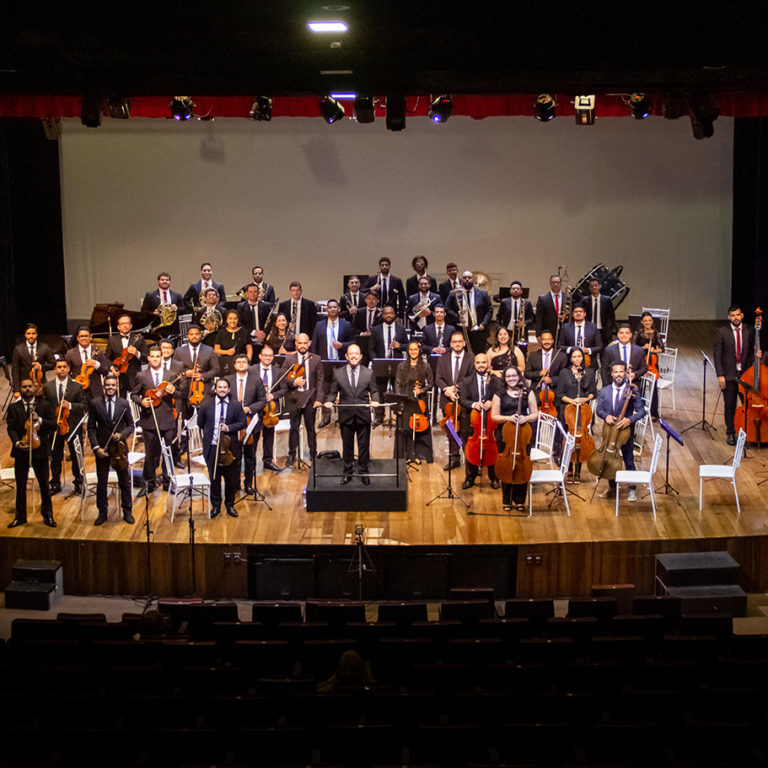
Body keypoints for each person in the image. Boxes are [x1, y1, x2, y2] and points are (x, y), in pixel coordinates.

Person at [324, 344, 380, 485]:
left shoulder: (369, 373)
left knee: (364, 446)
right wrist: (329, 402)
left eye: (356, 353)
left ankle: (363, 471)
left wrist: (375, 400)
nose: (354, 356)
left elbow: (374, 391)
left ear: (360, 356)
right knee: (347, 446)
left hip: (363, 414)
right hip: (346, 415)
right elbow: (332, 392)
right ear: (346, 356)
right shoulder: (338, 373)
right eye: (351, 354)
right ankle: (347, 472)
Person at [7, 378, 57, 528]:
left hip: (39, 450)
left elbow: (53, 425)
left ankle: (48, 515)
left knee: (44, 485)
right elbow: (10, 428)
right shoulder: (13, 408)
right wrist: (17, 442)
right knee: (21, 486)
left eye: (30, 386)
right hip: (21, 451)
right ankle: (20, 516)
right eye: (24, 386)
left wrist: (40, 420)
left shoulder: (45, 405)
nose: (27, 389)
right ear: (20, 389)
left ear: (35, 389)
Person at [87, 374, 134, 525]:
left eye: (113, 385)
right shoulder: (95, 403)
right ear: (103, 386)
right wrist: (96, 447)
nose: (110, 388)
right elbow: (91, 427)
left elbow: (131, 425)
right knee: (102, 482)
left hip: (119, 449)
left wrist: (122, 435)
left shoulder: (124, 403)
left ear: (117, 386)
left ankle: (127, 511)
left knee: (124, 482)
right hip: (102, 449)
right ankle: (102, 512)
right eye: (107, 385)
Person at [196, 378, 247, 518]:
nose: (222, 389)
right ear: (215, 389)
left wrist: (229, 428)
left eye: (225, 387)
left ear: (229, 390)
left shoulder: (236, 405)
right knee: (215, 479)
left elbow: (243, 423)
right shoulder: (206, 405)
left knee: (231, 480)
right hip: (212, 448)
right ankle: (216, 506)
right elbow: (200, 423)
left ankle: (230, 505)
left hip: (230, 448)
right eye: (220, 387)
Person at [595, 362, 645, 501]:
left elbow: (642, 411)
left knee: (629, 459)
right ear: (611, 374)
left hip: (625, 432)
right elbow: (599, 410)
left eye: (621, 372)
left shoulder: (632, 390)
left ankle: (632, 489)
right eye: (616, 372)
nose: (618, 374)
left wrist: (630, 419)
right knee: (609, 460)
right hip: (609, 432)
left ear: (625, 374)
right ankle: (612, 488)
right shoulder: (604, 391)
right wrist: (606, 416)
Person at [491, 367, 539, 512]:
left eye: (514, 375)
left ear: (519, 376)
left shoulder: (528, 392)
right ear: (504, 378)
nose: (511, 378)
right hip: (505, 436)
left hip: (523, 434)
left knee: (522, 465)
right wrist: (508, 418)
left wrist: (525, 417)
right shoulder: (499, 394)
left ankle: (520, 500)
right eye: (508, 376)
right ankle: (506, 500)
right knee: (506, 465)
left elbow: (535, 414)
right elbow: (494, 416)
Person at [133, 346, 178, 495]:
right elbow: (134, 395)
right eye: (152, 356)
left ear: (162, 358)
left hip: (167, 419)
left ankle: (168, 482)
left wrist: (173, 392)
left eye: (158, 356)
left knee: (168, 452)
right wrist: (141, 402)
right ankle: (148, 483)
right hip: (149, 419)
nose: (155, 359)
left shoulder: (171, 374)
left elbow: (179, 393)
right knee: (150, 453)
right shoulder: (141, 375)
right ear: (149, 358)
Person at [713, 304, 759, 445]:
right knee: (730, 405)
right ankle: (731, 432)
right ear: (729, 317)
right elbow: (717, 355)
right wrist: (720, 375)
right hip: (729, 375)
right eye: (732, 315)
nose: (735, 318)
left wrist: (758, 354)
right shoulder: (722, 332)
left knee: (747, 404)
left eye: (738, 315)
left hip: (745, 375)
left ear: (742, 315)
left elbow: (752, 350)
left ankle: (748, 431)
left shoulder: (749, 330)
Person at [42, 359, 86, 495]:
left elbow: (84, 405)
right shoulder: (47, 387)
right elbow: (43, 406)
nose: (62, 369)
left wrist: (70, 405)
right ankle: (55, 483)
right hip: (55, 427)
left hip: (72, 426)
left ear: (68, 369)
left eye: (64, 367)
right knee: (55, 457)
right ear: (55, 370)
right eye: (59, 367)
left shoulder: (77, 386)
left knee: (76, 456)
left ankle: (79, 483)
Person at [225, 354, 266, 494]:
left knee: (250, 456)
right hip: (233, 424)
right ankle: (235, 484)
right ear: (234, 365)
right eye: (238, 362)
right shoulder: (228, 380)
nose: (241, 364)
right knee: (235, 456)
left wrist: (249, 408)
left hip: (251, 422)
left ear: (248, 364)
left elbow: (262, 401)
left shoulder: (256, 380)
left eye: (244, 362)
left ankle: (248, 483)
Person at [281, 333, 324, 468]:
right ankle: (292, 454)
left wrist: (319, 399)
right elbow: (282, 377)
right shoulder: (289, 359)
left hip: (310, 399)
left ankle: (313, 453)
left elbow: (320, 381)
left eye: (305, 343)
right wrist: (294, 382)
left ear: (309, 344)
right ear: (296, 344)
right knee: (294, 427)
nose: (302, 346)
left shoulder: (316, 359)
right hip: (294, 399)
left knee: (311, 428)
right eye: (300, 343)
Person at [435, 331, 475, 470]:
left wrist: (456, 388)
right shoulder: (442, 359)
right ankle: (454, 458)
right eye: (454, 342)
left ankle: (469, 459)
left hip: (464, 400)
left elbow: (471, 379)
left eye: (460, 341)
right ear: (451, 344)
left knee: (465, 431)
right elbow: (438, 379)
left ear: (463, 343)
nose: (457, 344)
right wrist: (447, 389)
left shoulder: (471, 358)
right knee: (451, 431)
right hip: (447, 401)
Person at [459, 353, 499, 489]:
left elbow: (502, 395)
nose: (481, 365)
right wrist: (474, 404)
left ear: (488, 364)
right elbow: (462, 399)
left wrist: (493, 402)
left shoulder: (496, 380)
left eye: (483, 362)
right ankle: (470, 477)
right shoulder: (466, 381)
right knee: (470, 449)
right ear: (474, 364)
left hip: (491, 420)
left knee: (493, 447)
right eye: (478, 362)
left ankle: (494, 477)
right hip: (472, 420)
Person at [557, 348, 597, 483]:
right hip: (568, 410)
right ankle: (568, 469)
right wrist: (572, 401)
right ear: (571, 359)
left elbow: (593, 392)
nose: (577, 359)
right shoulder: (564, 373)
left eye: (579, 356)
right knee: (569, 439)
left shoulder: (589, 372)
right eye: (574, 357)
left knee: (580, 440)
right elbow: (560, 394)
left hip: (583, 410)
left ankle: (578, 471)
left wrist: (585, 400)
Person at [395, 341, 434, 463]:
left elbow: (431, 383)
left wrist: (421, 389)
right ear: (408, 351)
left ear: (419, 350)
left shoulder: (426, 366)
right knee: (405, 427)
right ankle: (406, 455)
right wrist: (400, 400)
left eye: (415, 349)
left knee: (419, 429)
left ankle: (418, 455)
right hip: (405, 399)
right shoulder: (401, 366)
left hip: (419, 400)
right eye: (411, 349)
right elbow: (397, 384)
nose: (413, 351)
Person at [371, 305, 409, 425]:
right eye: (386, 313)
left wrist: (400, 346)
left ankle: (399, 415)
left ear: (394, 315)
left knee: (398, 392)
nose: (388, 315)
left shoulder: (401, 329)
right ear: (382, 315)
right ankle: (379, 416)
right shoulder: (375, 329)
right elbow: (370, 349)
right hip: (381, 365)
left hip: (397, 365)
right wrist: (376, 361)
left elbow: (408, 346)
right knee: (380, 392)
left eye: (391, 313)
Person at [252, 346, 288, 473]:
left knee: (269, 436)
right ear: (260, 356)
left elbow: (284, 389)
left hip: (270, 409)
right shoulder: (252, 370)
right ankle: (251, 462)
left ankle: (267, 460)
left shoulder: (278, 371)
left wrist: (273, 395)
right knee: (254, 436)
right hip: (256, 407)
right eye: (265, 355)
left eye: (270, 356)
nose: (268, 358)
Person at [173, 325, 219, 417]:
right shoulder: (179, 351)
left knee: (205, 419)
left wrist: (203, 376)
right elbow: (173, 371)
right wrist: (185, 374)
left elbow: (216, 369)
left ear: (201, 335)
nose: (194, 336)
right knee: (185, 420)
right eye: (191, 334)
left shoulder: (209, 350)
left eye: (196, 334)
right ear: (188, 336)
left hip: (203, 391)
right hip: (184, 391)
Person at [444, 270, 493, 354]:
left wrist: (483, 324)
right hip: (461, 329)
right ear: (461, 280)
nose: (467, 279)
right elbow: (446, 308)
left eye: (469, 278)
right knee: (462, 356)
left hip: (478, 330)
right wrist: (457, 317)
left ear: (473, 280)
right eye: (464, 278)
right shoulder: (454, 293)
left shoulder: (483, 293)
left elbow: (489, 310)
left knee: (479, 355)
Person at [632, 311, 665, 419]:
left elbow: (662, 349)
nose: (647, 322)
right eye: (645, 320)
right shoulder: (638, 333)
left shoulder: (655, 333)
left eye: (649, 320)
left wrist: (653, 350)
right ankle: (640, 410)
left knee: (653, 389)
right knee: (640, 388)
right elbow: (632, 347)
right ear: (642, 321)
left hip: (652, 363)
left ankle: (653, 413)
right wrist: (642, 348)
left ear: (652, 321)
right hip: (640, 362)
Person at [107, 314, 149, 394]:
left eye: (127, 323)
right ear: (118, 327)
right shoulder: (112, 340)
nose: (125, 326)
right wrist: (112, 368)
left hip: (135, 377)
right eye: (122, 324)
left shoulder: (139, 339)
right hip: (119, 377)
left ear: (131, 326)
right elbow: (107, 358)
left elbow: (147, 358)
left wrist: (137, 353)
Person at [65, 326, 109, 401]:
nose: (84, 338)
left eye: (86, 336)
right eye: (82, 336)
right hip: (78, 390)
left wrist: (96, 364)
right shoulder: (70, 353)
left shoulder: (98, 352)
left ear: (90, 337)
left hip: (95, 392)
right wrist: (73, 382)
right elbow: (65, 372)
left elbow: (105, 371)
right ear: (77, 338)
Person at [11, 323, 56, 397]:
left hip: (40, 384)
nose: (31, 336)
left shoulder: (45, 347)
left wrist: (41, 366)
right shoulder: (18, 349)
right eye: (28, 334)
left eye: (33, 333)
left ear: (37, 334)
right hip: (25, 385)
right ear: (25, 335)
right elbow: (15, 370)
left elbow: (54, 363)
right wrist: (16, 390)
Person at [141, 272, 186, 337]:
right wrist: (153, 313)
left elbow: (184, 310)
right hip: (157, 327)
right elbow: (143, 311)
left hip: (173, 328)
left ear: (170, 282)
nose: (165, 281)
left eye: (167, 280)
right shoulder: (150, 295)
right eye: (162, 280)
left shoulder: (177, 295)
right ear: (158, 281)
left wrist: (177, 308)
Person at [496, 280, 535, 356]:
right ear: (510, 291)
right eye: (513, 289)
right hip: (508, 331)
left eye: (517, 288)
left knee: (522, 352)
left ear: (521, 291)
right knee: (506, 351)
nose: (515, 290)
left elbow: (532, 318)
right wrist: (501, 328)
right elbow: (498, 316)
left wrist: (524, 324)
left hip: (521, 333)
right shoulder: (504, 302)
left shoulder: (527, 303)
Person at [558, 305, 602, 369]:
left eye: (580, 311)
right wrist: (572, 349)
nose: (578, 313)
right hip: (570, 362)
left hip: (589, 361)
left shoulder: (593, 327)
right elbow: (560, 346)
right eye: (576, 312)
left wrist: (588, 350)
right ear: (573, 314)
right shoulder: (566, 327)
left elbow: (600, 346)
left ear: (584, 314)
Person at [237, 283, 274, 355]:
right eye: (250, 292)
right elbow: (240, 324)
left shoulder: (266, 306)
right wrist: (254, 332)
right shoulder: (240, 306)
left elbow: (271, 321)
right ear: (246, 294)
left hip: (263, 340)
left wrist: (264, 333)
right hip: (247, 340)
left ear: (258, 293)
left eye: (255, 291)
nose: (253, 294)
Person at [213, 310, 253, 377]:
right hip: (225, 364)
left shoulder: (244, 331)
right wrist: (227, 352)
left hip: (241, 362)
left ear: (238, 320)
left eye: (235, 318)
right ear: (226, 320)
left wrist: (247, 362)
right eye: (230, 318)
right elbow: (216, 350)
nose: (233, 321)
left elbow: (249, 349)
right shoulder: (221, 332)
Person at [488, 327, 525, 393]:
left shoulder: (516, 350)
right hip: (497, 378)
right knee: (498, 382)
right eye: (500, 334)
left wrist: (509, 372)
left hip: (513, 376)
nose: (503, 337)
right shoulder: (491, 351)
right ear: (497, 337)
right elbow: (487, 369)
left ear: (509, 336)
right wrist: (495, 372)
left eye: (505, 334)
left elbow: (522, 367)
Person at [581, 277, 616, 347]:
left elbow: (611, 316)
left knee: (604, 352)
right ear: (589, 288)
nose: (594, 287)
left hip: (603, 331)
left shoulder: (607, 300)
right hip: (589, 330)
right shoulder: (585, 300)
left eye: (596, 285)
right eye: (592, 286)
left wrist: (609, 329)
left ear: (599, 286)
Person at [534, 274, 567, 341]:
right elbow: (538, 318)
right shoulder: (543, 299)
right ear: (550, 284)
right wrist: (538, 334)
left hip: (564, 331)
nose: (555, 284)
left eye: (557, 282)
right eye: (553, 282)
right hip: (548, 332)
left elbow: (572, 313)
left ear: (561, 284)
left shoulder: (567, 297)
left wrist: (566, 316)